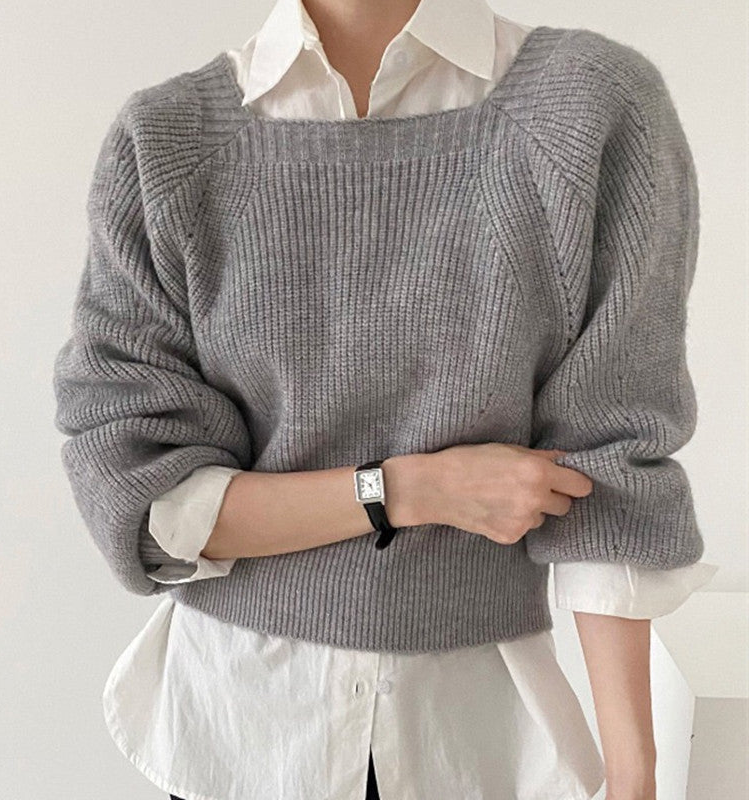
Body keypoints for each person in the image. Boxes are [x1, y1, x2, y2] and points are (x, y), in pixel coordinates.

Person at [52, 1, 718, 797]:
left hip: (473, 733)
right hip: (239, 728)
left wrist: (636, 778)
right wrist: (406, 490)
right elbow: (149, 499)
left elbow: (612, 464)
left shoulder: (588, 105)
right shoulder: (167, 140)